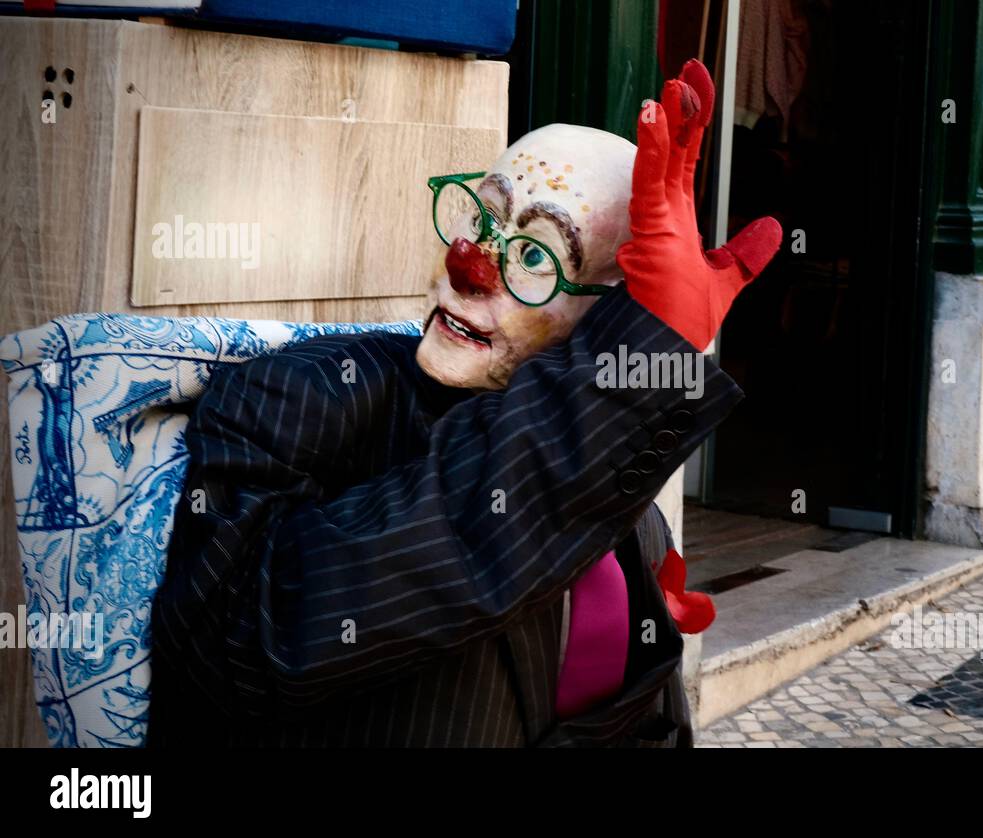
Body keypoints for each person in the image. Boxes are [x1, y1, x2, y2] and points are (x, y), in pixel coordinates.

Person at [147, 60, 781, 747]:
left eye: (537, 254)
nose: (469, 263)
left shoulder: (627, 515)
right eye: (481, 215)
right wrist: (618, 394)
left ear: (606, 321)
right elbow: (243, 651)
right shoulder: (298, 398)